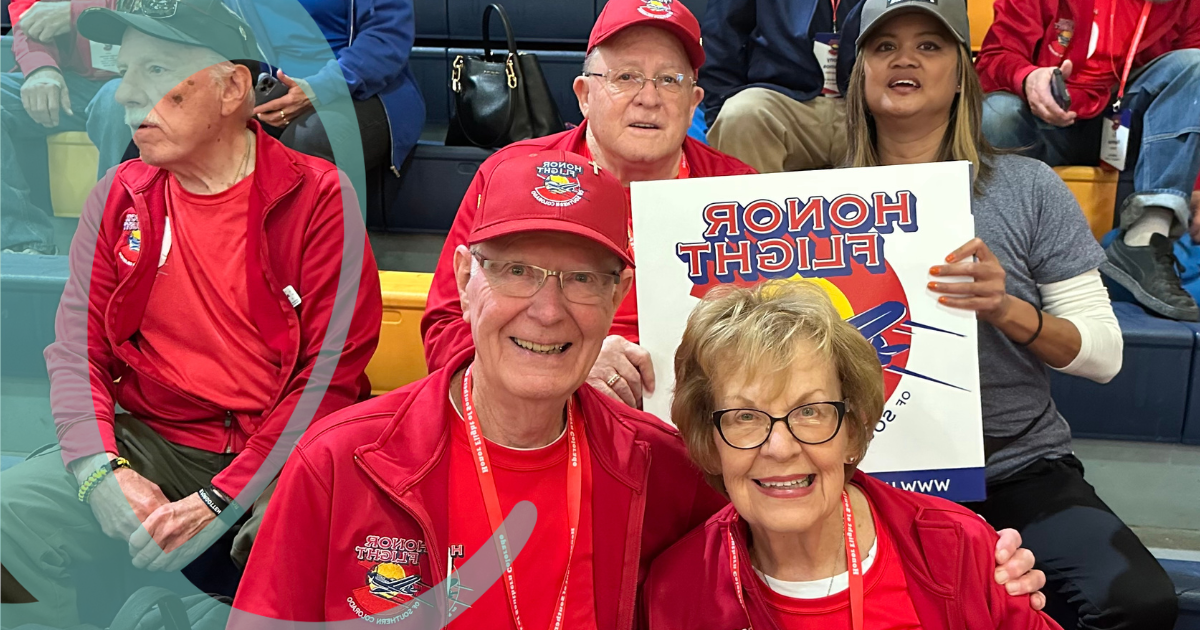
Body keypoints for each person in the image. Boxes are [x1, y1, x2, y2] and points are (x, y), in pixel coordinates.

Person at [0, 0, 382, 625]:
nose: (126, 94)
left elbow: (329, 382)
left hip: (281, 454)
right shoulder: (120, 194)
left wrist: (224, 497)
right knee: (7, 521)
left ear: (231, 87)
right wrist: (100, 472)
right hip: (153, 439)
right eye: (125, 71)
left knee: (298, 552)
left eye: (154, 71)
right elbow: (76, 352)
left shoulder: (320, 200)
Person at [231, 150, 728, 628]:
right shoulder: (336, 463)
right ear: (466, 278)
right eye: (517, 272)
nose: (548, 310)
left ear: (616, 295)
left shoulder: (668, 471)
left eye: (581, 279)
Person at [839, 0, 1179, 626]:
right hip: (859, 474)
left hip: (1014, 468)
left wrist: (1006, 309)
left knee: (1136, 603)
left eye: (930, 45)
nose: (905, 58)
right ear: (857, 73)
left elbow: (1104, 354)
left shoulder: (1027, 188)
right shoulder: (806, 198)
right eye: (883, 47)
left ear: (963, 74)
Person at [646, 281, 1060, 630]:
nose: (780, 447)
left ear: (853, 431)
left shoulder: (960, 550)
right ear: (709, 441)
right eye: (745, 417)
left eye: (810, 412)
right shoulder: (675, 588)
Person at [422, 0, 756, 409]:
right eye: (626, 76)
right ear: (583, 94)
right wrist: (568, 364)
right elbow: (444, 330)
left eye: (670, 80)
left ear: (693, 101)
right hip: (553, 413)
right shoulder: (511, 175)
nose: (649, 98)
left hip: (700, 424)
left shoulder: (740, 193)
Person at [976, 0, 1200, 322]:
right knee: (995, 115)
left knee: (1195, 65)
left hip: (1125, 127)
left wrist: (1196, 184)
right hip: (1044, 121)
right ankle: (1006, 256)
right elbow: (994, 59)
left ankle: (1145, 239)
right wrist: (1028, 77)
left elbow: (1190, 96)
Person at [226, 0, 425, 175]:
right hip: (275, 90)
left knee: (307, 139)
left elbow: (386, 37)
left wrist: (318, 89)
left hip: (366, 92)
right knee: (216, 133)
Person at [1, 0, 131, 254]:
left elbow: (177, 8)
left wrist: (78, 13)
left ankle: (120, 243)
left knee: (119, 101)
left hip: (147, 76)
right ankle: (21, 242)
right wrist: (41, 68)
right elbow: (32, 17)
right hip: (76, 84)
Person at [700, 0, 860, 174]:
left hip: (863, 105)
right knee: (740, 115)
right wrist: (718, 116)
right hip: (783, 98)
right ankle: (754, 201)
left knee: (892, 114)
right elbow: (722, 38)